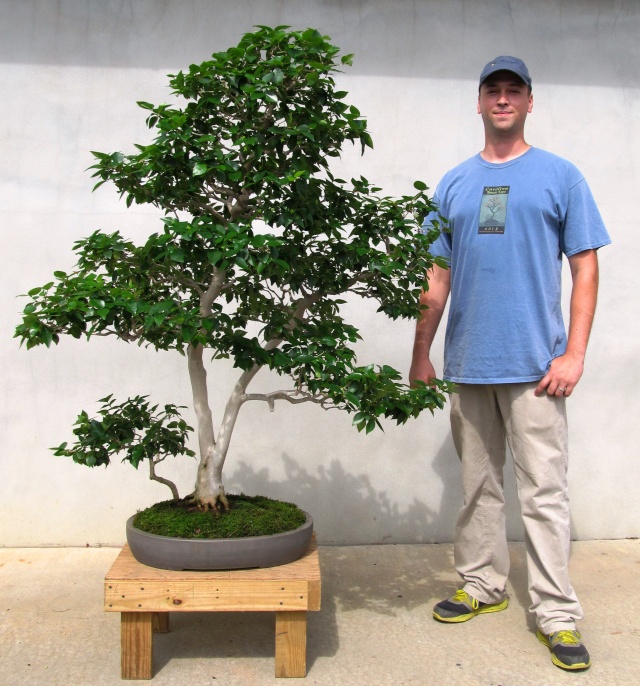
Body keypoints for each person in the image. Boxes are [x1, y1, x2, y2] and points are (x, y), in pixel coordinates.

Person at [409, 56, 610, 671]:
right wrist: (421, 351)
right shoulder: (452, 184)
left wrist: (574, 353)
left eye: (512, 90)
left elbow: (585, 266)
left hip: (536, 367)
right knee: (478, 487)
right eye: (492, 90)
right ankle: (482, 583)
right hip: (469, 363)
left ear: (529, 101)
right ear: (478, 103)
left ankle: (556, 613)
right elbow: (436, 274)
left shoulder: (561, 176)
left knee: (544, 493)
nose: (502, 99)